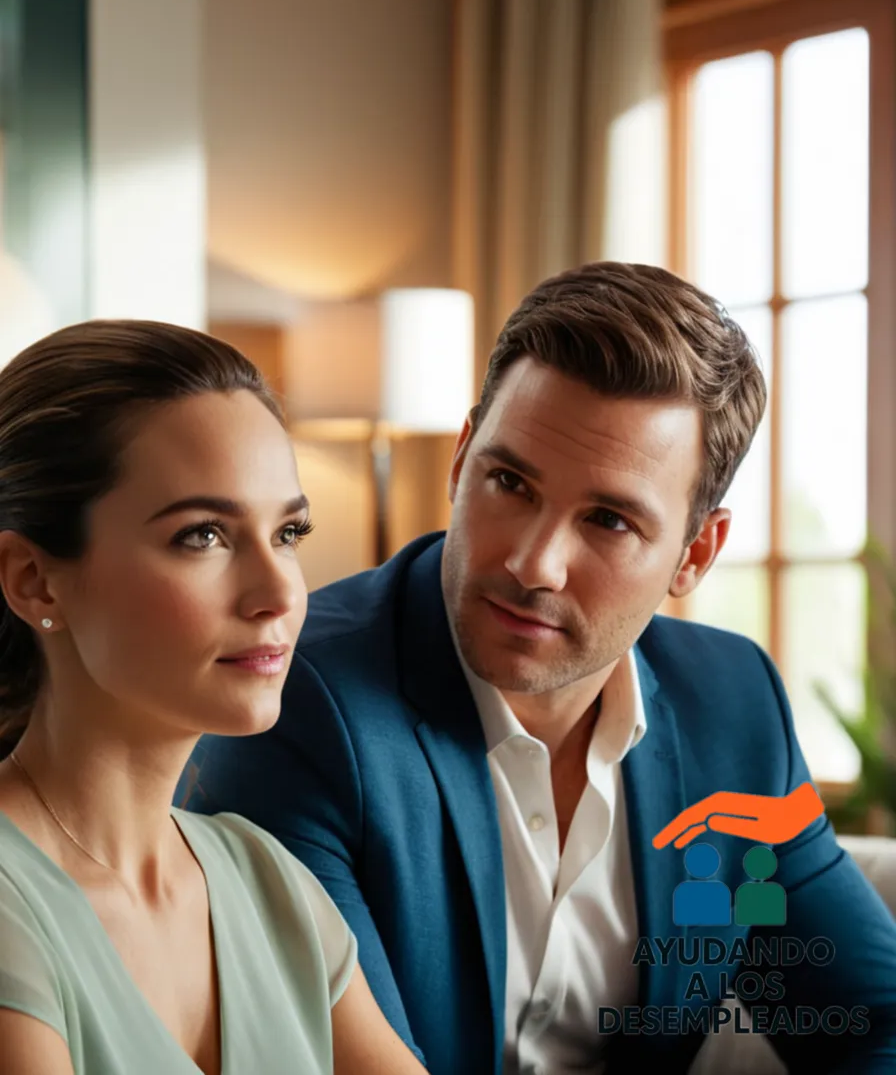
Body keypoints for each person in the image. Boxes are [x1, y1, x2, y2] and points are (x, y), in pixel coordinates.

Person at [183, 262, 896, 1075]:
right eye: (510, 482)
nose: (533, 562)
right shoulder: (297, 699)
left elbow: (873, 1022)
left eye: (608, 519)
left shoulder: (730, 704)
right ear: (461, 460)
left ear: (695, 554)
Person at [0, 320, 430, 1075]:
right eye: (203, 536)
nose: (279, 593)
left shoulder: (269, 881)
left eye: (289, 531)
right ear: (33, 578)